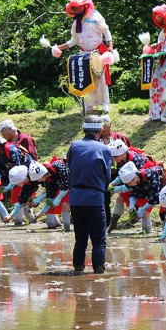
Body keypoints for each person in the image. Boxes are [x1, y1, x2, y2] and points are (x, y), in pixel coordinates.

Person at [52, 0, 116, 113]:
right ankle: (88, 106)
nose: (77, 9)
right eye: (75, 8)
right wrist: (60, 47)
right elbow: (75, 40)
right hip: (83, 53)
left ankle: (105, 104)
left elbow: (106, 31)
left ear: (84, 5)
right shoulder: (76, 23)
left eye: (78, 6)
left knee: (101, 78)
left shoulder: (95, 16)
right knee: (85, 78)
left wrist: (110, 45)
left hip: (97, 51)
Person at [66, 115, 112, 274]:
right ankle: (99, 271)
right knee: (99, 241)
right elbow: (107, 176)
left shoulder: (73, 146)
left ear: (83, 129)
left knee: (80, 239)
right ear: (100, 131)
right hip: (95, 198)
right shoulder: (104, 149)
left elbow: (69, 168)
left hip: (75, 198)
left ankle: (78, 268)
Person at [117, 160, 166, 234]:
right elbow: (134, 193)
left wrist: (142, 209)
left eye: (129, 182)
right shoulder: (134, 181)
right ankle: (147, 232)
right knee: (151, 209)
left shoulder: (150, 175)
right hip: (158, 186)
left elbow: (156, 197)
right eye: (127, 184)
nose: (129, 185)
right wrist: (132, 206)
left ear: (135, 177)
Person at [0, 132, 34, 225]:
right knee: (19, 196)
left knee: (18, 195)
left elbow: (18, 170)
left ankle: (20, 221)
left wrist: (9, 186)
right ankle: (27, 220)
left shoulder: (12, 150)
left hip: (25, 172)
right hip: (11, 173)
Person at [106, 140, 155, 232]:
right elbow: (122, 175)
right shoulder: (122, 160)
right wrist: (113, 184)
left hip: (147, 185)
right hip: (133, 184)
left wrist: (120, 188)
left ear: (122, 153)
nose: (113, 160)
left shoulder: (136, 159)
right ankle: (113, 222)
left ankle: (146, 232)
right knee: (120, 198)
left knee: (145, 212)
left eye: (114, 157)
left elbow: (135, 180)